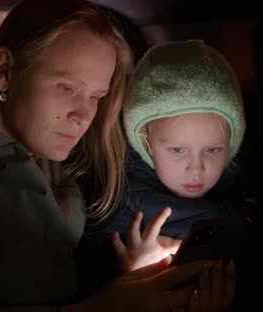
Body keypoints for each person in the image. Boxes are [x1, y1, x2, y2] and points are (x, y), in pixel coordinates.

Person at [0, 1, 234, 311]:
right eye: (67, 88)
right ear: (4, 72)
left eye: (96, 97)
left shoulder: (66, 180)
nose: (83, 115)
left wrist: (139, 278)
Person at [76, 40, 246, 300]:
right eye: (177, 150)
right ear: (145, 142)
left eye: (212, 150)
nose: (196, 168)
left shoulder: (245, 194)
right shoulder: (119, 205)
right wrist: (134, 273)